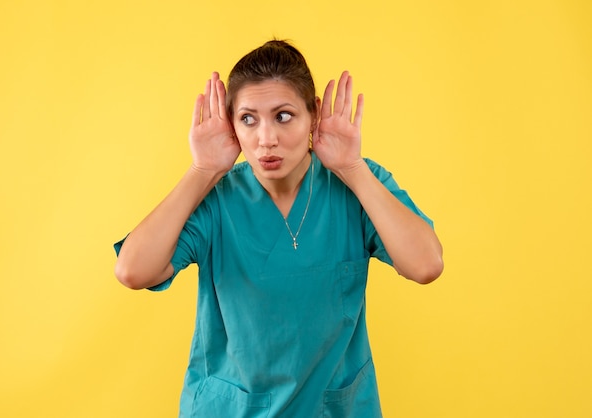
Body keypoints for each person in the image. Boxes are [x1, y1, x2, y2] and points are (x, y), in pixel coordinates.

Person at [114, 40, 443, 418]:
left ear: (314, 115)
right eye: (248, 119)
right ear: (231, 125)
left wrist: (352, 170)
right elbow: (132, 270)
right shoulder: (217, 200)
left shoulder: (356, 187)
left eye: (283, 116)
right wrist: (202, 171)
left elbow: (425, 265)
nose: (265, 139)